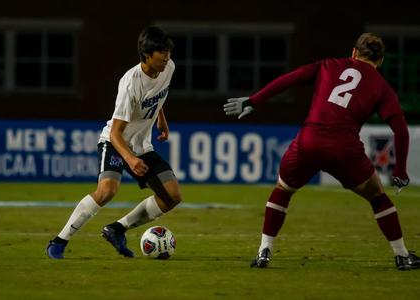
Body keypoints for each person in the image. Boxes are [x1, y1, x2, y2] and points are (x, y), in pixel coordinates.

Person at [224, 33, 419, 270]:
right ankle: (401, 255)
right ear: (380, 62)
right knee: (378, 196)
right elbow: (401, 129)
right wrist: (400, 170)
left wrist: (254, 100)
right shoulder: (382, 86)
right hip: (344, 150)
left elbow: (290, 79)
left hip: (308, 142)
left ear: (354, 52)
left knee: (283, 190)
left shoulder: (328, 65)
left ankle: (264, 250)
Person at [47, 26, 181, 259]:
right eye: (162, 53)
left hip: (142, 146)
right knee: (107, 190)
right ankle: (59, 241)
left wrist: (161, 119)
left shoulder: (168, 68)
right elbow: (116, 133)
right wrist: (130, 158)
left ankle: (117, 229)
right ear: (147, 55)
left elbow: (158, 95)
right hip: (116, 143)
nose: (167, 57)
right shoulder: (130, 83)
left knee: (172, 196)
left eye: (168, 51)